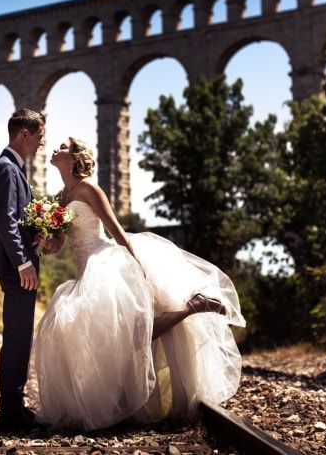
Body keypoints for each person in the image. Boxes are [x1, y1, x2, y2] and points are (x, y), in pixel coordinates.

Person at [33, 137, 245, 431]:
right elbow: (58, 244)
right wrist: (45, 239)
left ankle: (191, 308)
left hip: (106, 261)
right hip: (83, 270)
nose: (56, 149)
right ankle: (114, 398)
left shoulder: (89, 189)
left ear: (75, 158)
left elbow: (115, 228)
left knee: (132, 335)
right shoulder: (59, 198)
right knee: (97, 335)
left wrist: (137, 264)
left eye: (63, 147)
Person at [0, 108, 46, 431]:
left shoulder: (13, 170)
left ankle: (14, 406)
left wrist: (37, 231)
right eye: (39, 137)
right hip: (17, 267)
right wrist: (23, 261)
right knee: (17, 336)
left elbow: (17, 221)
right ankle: (10, 412)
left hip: (20, 265)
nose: (40, 144)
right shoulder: (6, 169)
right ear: (24, 134)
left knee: (21, 336)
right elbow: (6, 220)